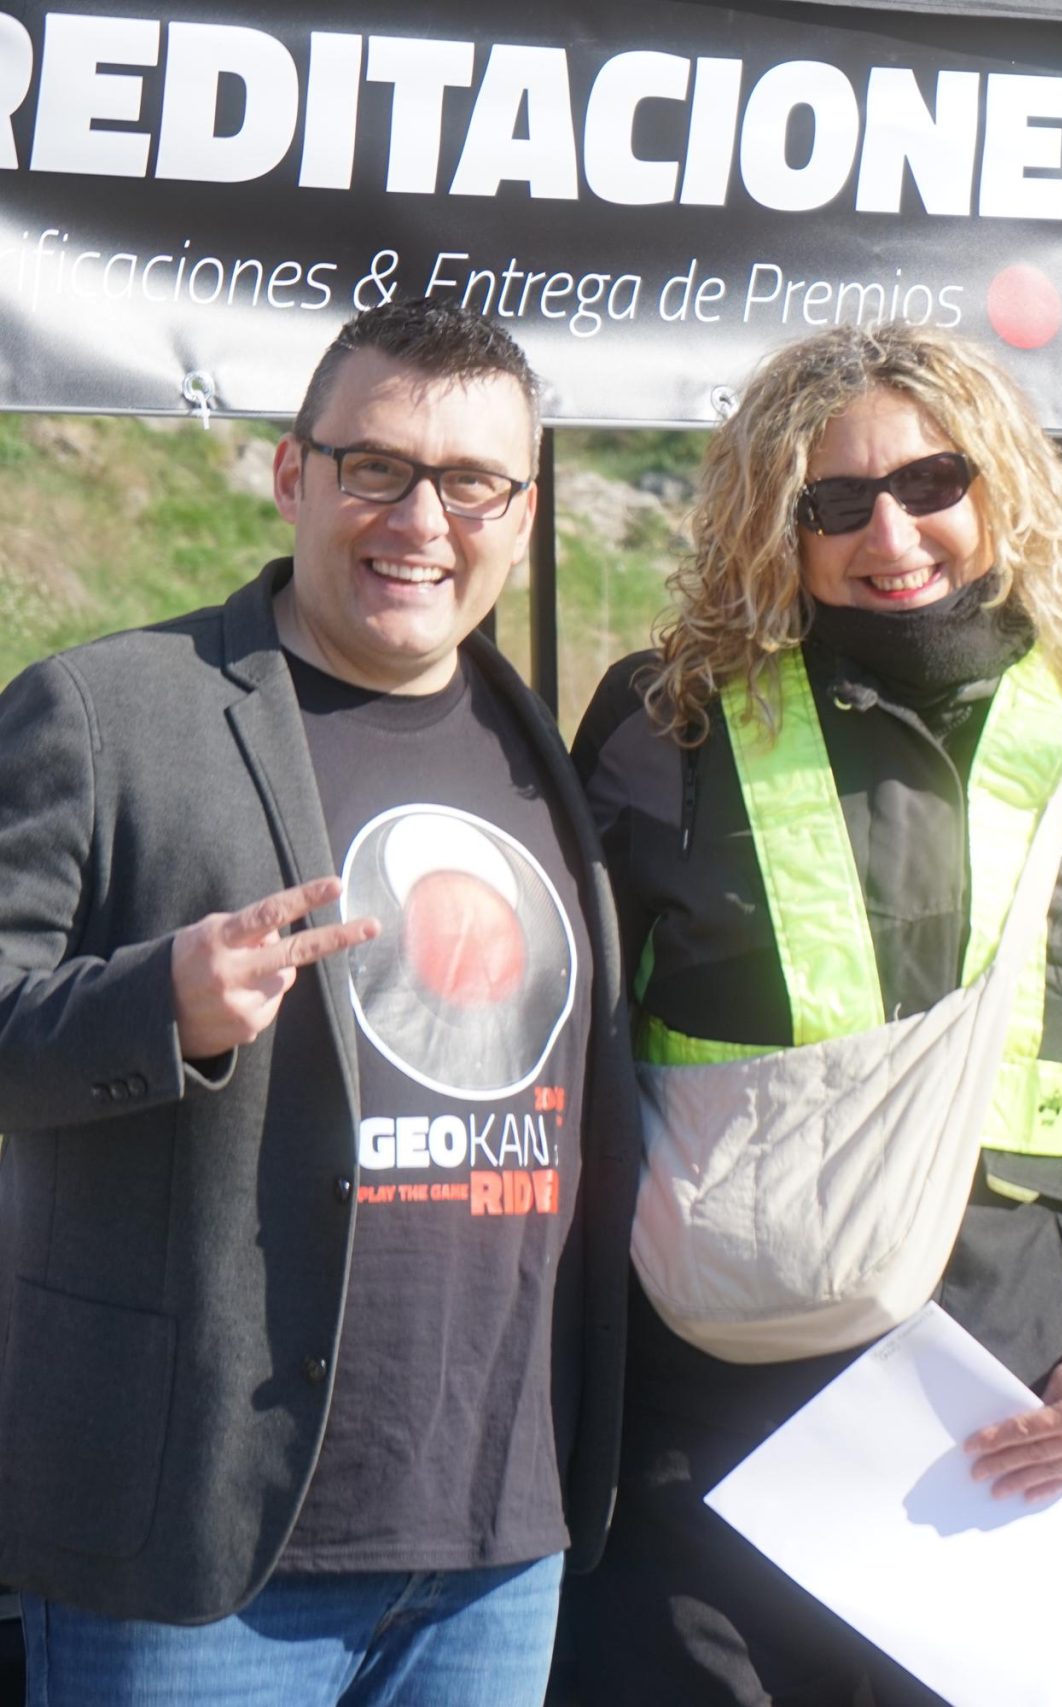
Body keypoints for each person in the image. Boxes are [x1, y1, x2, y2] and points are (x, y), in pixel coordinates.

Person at [563, 321, 1062, 1705]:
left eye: (931, 483)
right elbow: (567, 1077)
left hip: (1014, 1416)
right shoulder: (662, 732)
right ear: (775, 523)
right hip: (710, 1435)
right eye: (832, 502)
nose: (889, 534)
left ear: (1004, 485)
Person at [0, 300, 636, 1702]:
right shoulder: (105, 715)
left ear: (523, 515)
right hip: (195, 1552)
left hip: (493, 1547)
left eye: (472, 484)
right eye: (378, 468)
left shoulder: (543, 749)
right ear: (294, 474)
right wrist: (154, 1007)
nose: (422, 520)